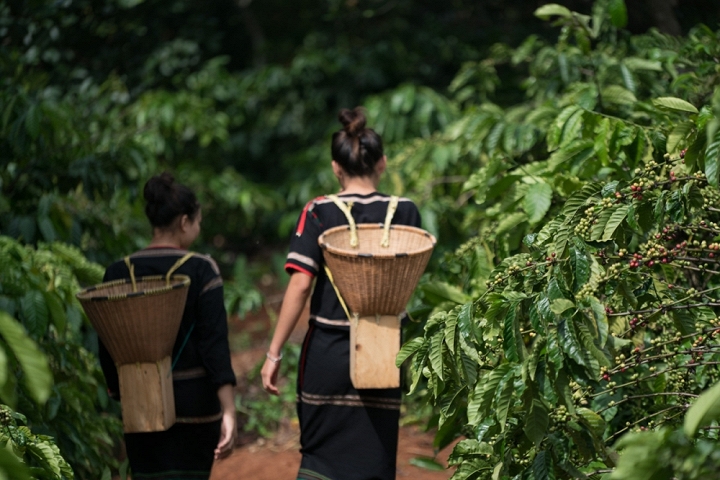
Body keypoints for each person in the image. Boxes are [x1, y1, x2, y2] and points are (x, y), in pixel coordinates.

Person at [261, 107, 422, 480]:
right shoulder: (406, 212)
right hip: (385, 348)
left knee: (320, 457)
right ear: (381, 163)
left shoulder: (318, 211)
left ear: (336, 167)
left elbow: (300, 283)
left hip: (328, 352)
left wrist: (273, 353)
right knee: (375, 458)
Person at [98, 172, 237, 480]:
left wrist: (121, 392)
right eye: (198, 222)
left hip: (141, 404)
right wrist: (228, 410)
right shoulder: (202, 270)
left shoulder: (117, 273)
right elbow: (214, 346)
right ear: (185, 222)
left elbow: (107, 344)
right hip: (196, 406)